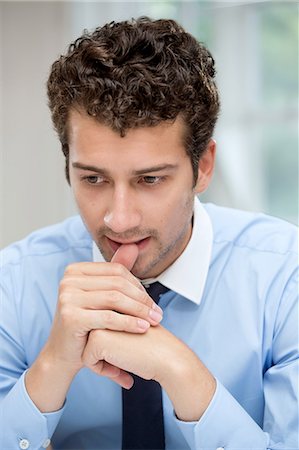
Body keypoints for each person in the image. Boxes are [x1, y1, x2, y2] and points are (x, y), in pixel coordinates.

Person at [0, 17, 298, 450]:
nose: (118, 220)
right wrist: (50, 369)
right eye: (93, 180)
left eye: (151, 179)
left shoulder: (285, 276)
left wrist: (182, 374)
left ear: (204, 167)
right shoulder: (14, 282)